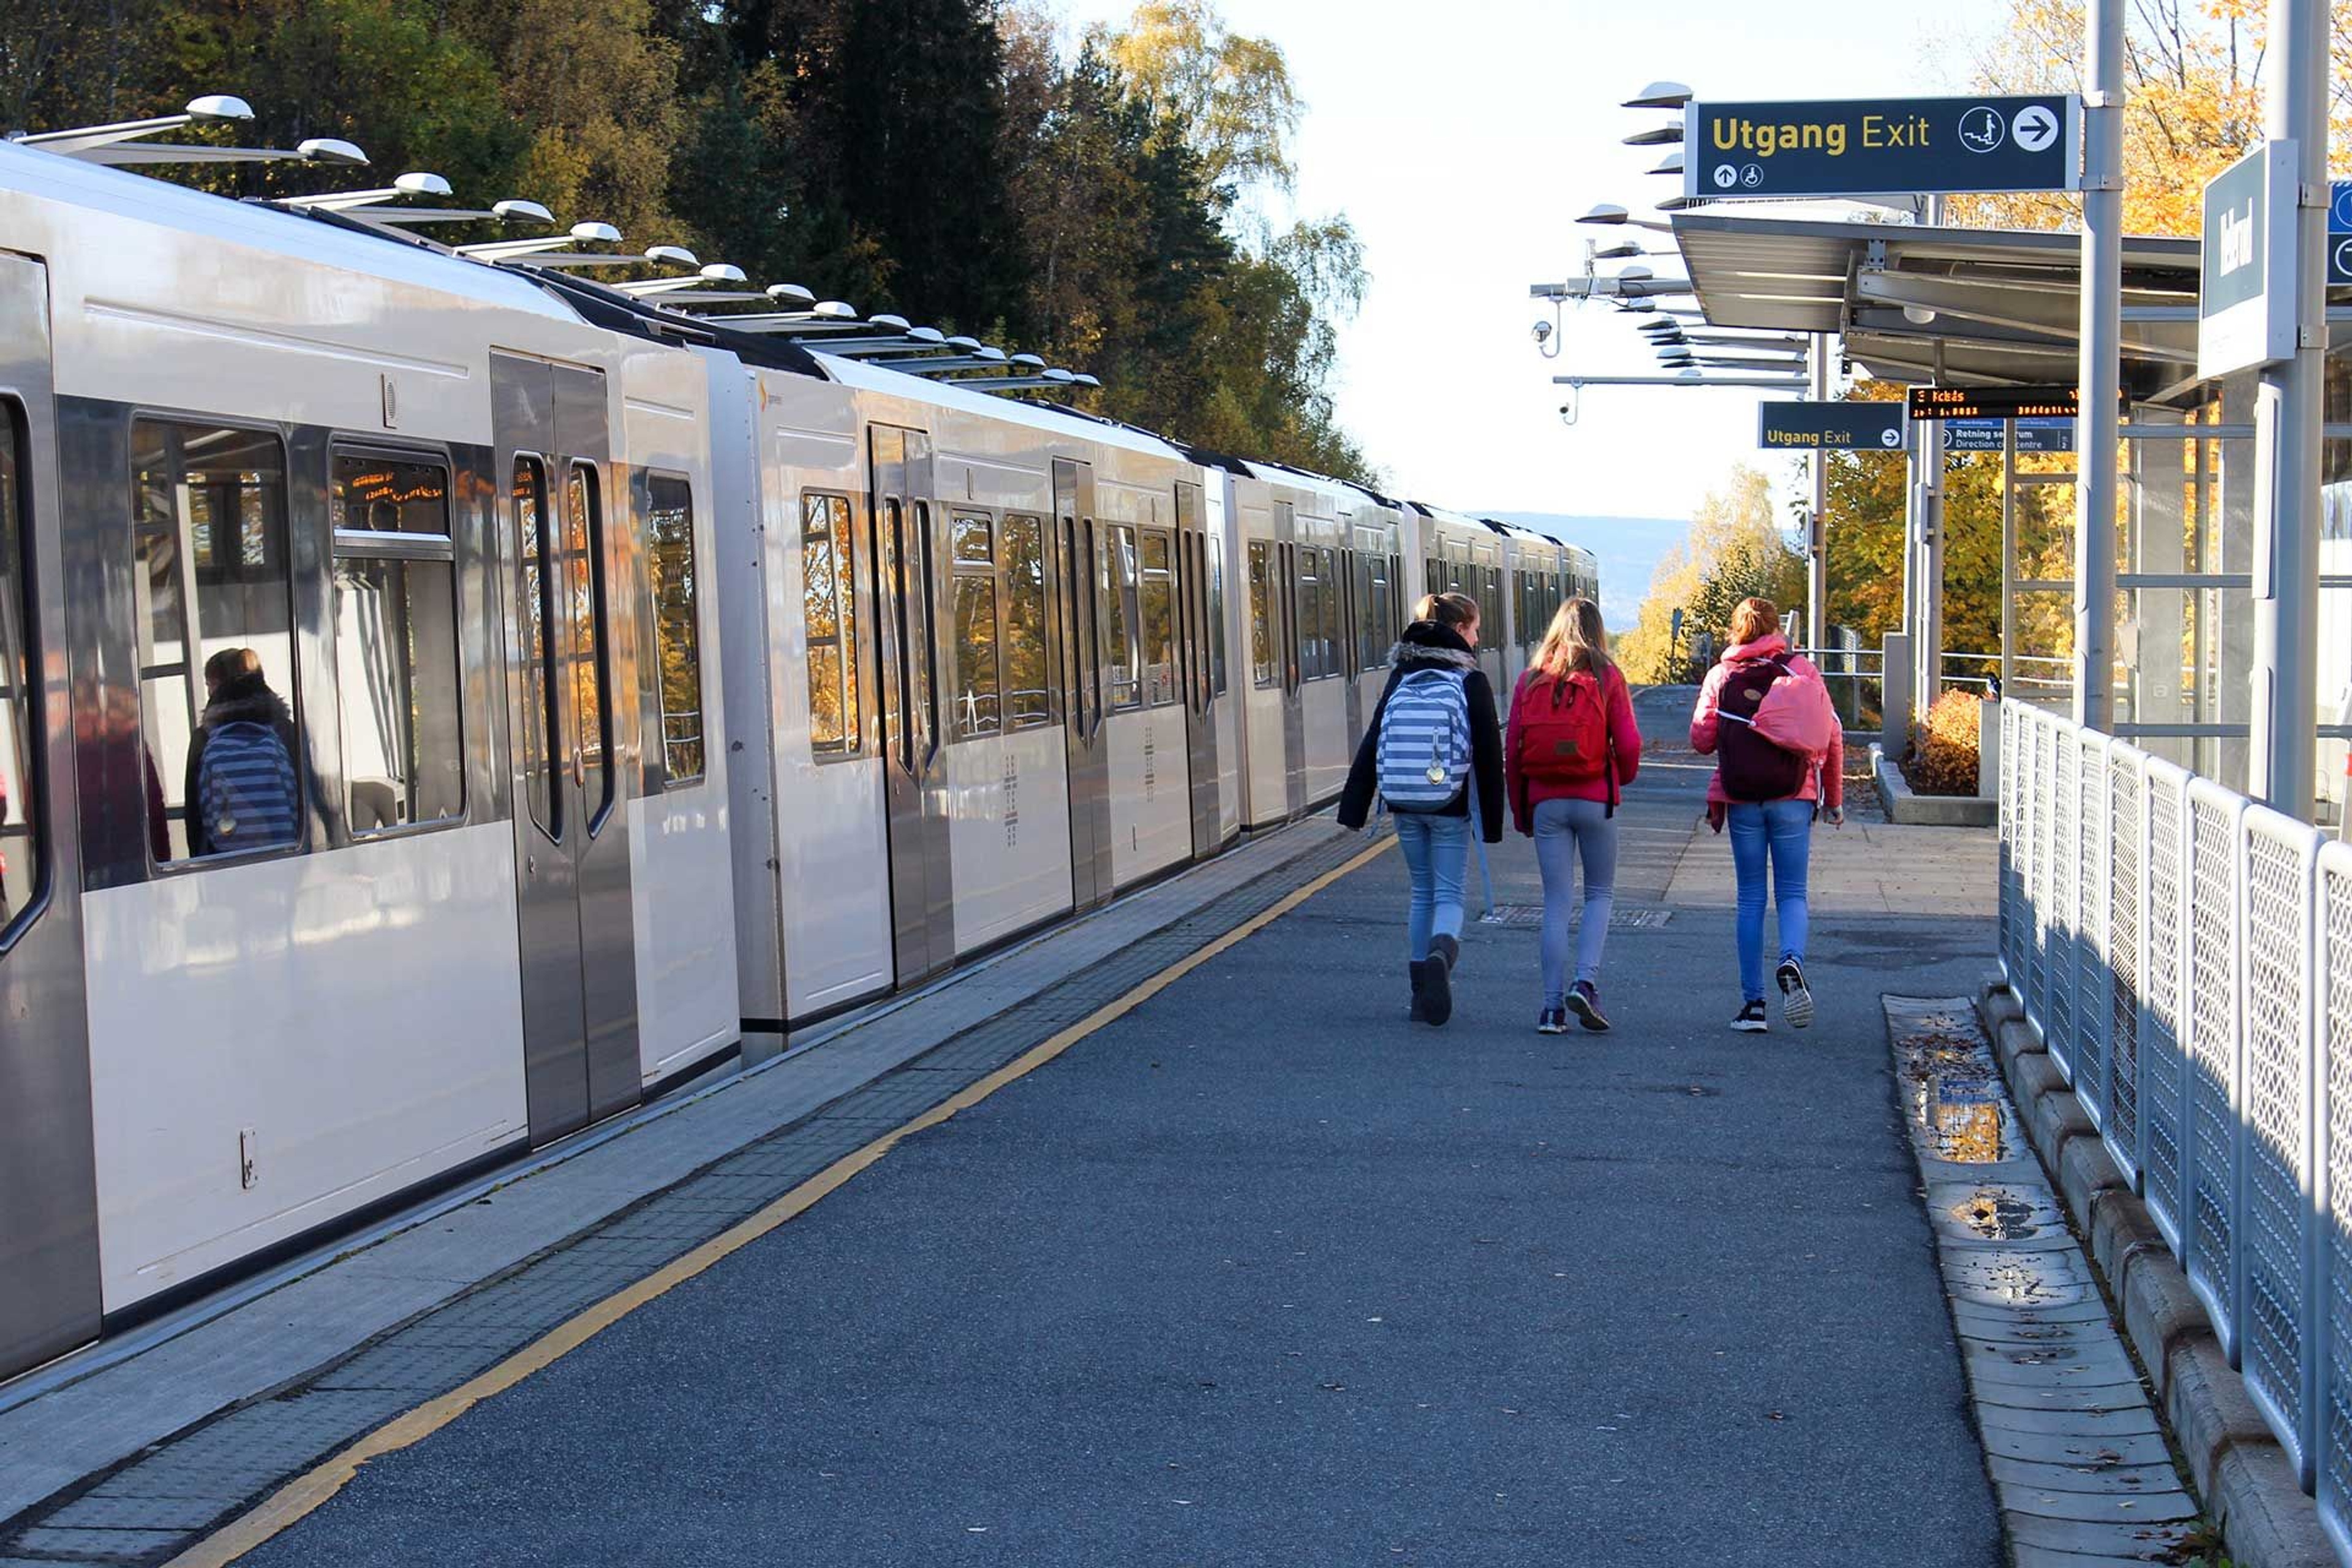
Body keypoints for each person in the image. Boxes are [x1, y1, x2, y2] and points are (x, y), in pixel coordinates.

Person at [1337, 590, 1504, 1027]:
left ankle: (1418, 995)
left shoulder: (1400, 677)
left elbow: (1375, 739)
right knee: (1450, 893)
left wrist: (1354, 806)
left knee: (1421, 892)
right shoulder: (1471, 681)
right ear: (1460, 631)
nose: (1478, 636)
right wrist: (1494, 824)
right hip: (1450, 804)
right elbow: (1489, 756)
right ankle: (1440, 958)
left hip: (1403, 801)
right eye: (1475, 628)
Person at [1690, 597, 1844, 1033]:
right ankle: (1791, 959)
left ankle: (1753, 1005)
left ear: (1736, 630)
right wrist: (1833, 798)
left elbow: (1701, 739)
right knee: (1793, 892)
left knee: (1751, 897)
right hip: (1794, 794)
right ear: (1778, 629)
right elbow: (1831, 735)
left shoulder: (1722, 676)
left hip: (1742, 798)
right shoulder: (1802, 671)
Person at [1506, 597, 1640, 1035]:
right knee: (1599, 893)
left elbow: (1513, 753)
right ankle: (1585, 982)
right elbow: (1630, 744)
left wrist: (1522, 810)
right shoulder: (1608, 676)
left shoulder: (1530, 680)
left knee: (1556, 902)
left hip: (1546, 803)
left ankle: (1549, 1010)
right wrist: (1618, 778)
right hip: (1595, 797)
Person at [184, 647, 300, 858]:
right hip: (284, 862)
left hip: (225, 868)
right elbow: (305, 802)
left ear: (219, 685)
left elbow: (195, 819)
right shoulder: (286, 731)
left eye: (209, 685)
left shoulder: (205, 738)